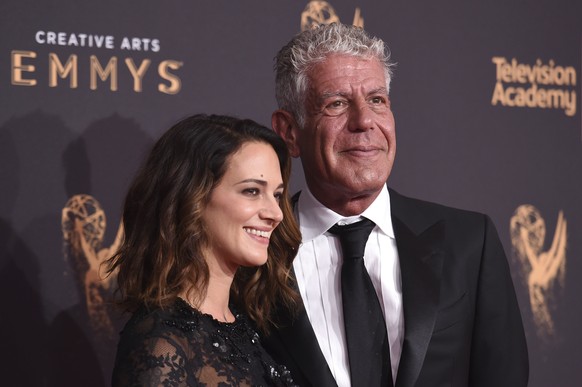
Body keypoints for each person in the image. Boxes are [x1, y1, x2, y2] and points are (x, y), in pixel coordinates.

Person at [263, 23, 529, 387]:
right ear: (290, 132)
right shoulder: (257, 251)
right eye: (336, 104)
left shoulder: (469, 242)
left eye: (376, 100)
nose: (364, 121)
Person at [106, 114, 301, 386]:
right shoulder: (163, 344)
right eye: (252, 191)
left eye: (277, 194)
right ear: (191, 198)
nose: (276, 213)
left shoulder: (244, 327)